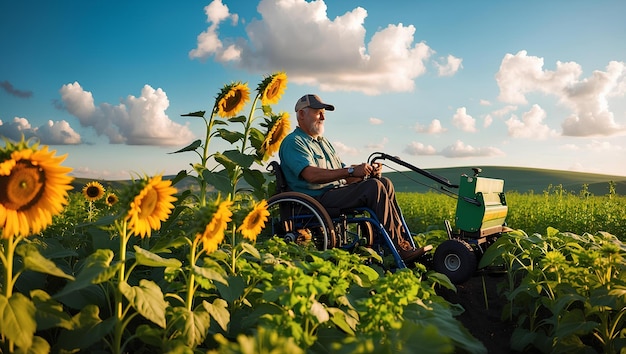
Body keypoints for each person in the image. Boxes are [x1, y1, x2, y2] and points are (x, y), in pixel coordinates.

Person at [278, 94, 431, 264]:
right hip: (315, 199)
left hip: (334, 193)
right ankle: (398, 249)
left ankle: (403, 244)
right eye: (318, 112)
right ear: (301, 114)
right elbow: (311, 175)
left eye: (323, 113)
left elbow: (345, 175)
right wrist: (351, 171)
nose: (323, 117)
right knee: (373, 188)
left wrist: (364, 173)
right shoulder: (294, 142)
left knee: (383, 183)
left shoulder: (324, 143)